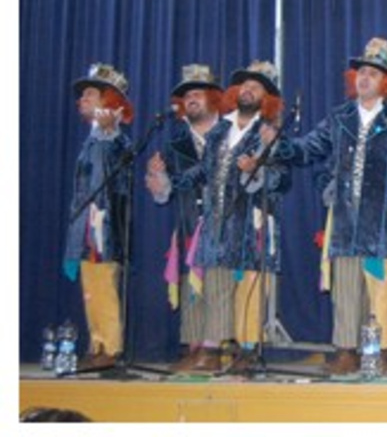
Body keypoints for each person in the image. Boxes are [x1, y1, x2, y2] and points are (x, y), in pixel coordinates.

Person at [272, 38, 387, 377]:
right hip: (345, 217)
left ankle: (385, 352)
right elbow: (308, 149)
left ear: (386, 82)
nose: (364, 79)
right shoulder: (339, 117)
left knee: (382, 289)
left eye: (373, 74)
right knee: (345, 287)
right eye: (361, 72)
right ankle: (346, 351)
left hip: (381, 219)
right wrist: (277, 145)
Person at [176, 60, 290, 373]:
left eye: (257, 87)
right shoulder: (219, 131)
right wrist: (171, 183)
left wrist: (259, 168)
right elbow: (204, 170)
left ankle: (247, 350)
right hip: (216, 220)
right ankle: (212, 349)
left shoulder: (269, 133)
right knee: (216, 285)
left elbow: (283, 179)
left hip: (250, 221)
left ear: (267, 98)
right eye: (245, 85)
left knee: (249, 287)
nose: (249, 90)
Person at [144, 64, 223, 372]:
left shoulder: (230, 133)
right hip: (190, 223)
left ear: (213, 98)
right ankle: (194, 347)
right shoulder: (174, 144)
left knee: (216, 285)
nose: (191, 100)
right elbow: (164, 196)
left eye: (197, 94)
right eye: (186, 95)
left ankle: (213, 350)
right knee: (192, 285)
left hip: (224, 224)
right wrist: (158, 178)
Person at [64, 63, 135, 369]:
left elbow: (120, 156)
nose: (82, 100)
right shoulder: (92, 139)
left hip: (103, 229)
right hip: (86, 228)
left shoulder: (114, 138)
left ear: (108, 101)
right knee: (92, 289)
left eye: (90, 94)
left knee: (103, 286)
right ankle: (97, 344)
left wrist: (111, 132)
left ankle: (110, 347)